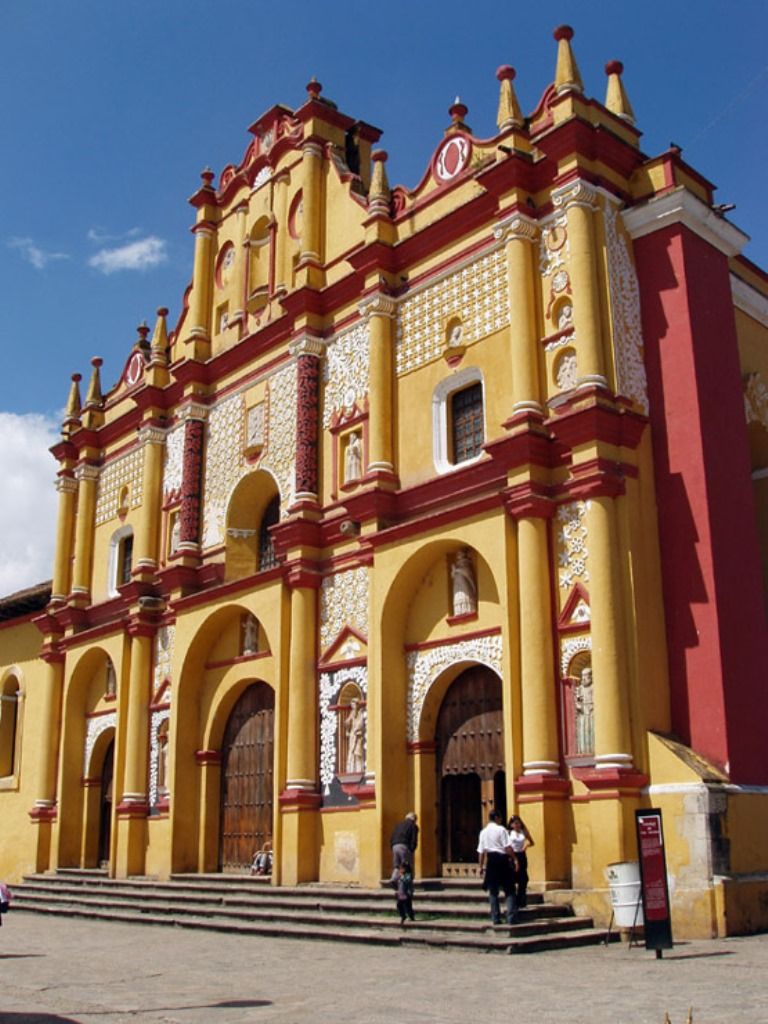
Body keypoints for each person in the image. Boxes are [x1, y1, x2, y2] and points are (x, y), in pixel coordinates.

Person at [477, 809, 518, 925]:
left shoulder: (483, 832)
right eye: (500, 818)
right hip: (502, 860)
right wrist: (515, 859)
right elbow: (507, 847)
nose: (501, 820)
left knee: (493, 891)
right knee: (509, 889)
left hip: (491, 861)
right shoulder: (501, 830)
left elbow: (481, 852)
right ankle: (511, 917)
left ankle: (495, 917)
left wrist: (480, 866)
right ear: (496, 818)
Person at [507, 814, 534, 909]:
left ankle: (521, 900)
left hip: (521, 855)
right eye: (515, 823)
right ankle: (513, 900)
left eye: (518, 823)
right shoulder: (509, 833)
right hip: (512, 855)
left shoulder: (523, 832)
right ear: (511, 825)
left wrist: (525, 846)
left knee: (523, 878)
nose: (517, 825)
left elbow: (531, 842)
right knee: (513, 877)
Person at [390, 812, 418, 885]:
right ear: (414, 819)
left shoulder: (399, 825)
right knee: (406, 866)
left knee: (397, 865)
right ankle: (404, 884)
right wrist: (412, 849)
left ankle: (394, 878)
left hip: (395, 846)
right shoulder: (413, 826)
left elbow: (392, 836)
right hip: (404, 846)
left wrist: (392, 846)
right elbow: (414, 839)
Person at [345, 698, 365, 774]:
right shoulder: (352, 713)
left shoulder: (360, 713)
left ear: (357, 705)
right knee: (352, 752)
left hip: (358, 736)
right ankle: (351, 769)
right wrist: (347, 726)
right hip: (352, 736)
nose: (352, 706)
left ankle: (358, 769)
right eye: (351, 705)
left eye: (353, 704)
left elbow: (360, 723)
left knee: (357, 752)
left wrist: (356, 730)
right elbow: (347, 722)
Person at [394, 861, 415, 925]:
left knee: (408, 906)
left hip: (407, 894)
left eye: (402, 868)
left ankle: (411, 916)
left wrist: (401, 876)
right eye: (400, 868)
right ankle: (403, 916)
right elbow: (398, 883)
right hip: (401, 893)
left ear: (406, 869)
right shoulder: (401, 875)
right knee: (399, 905)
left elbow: (407, 881)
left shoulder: (408, 875)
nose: (400, 870)